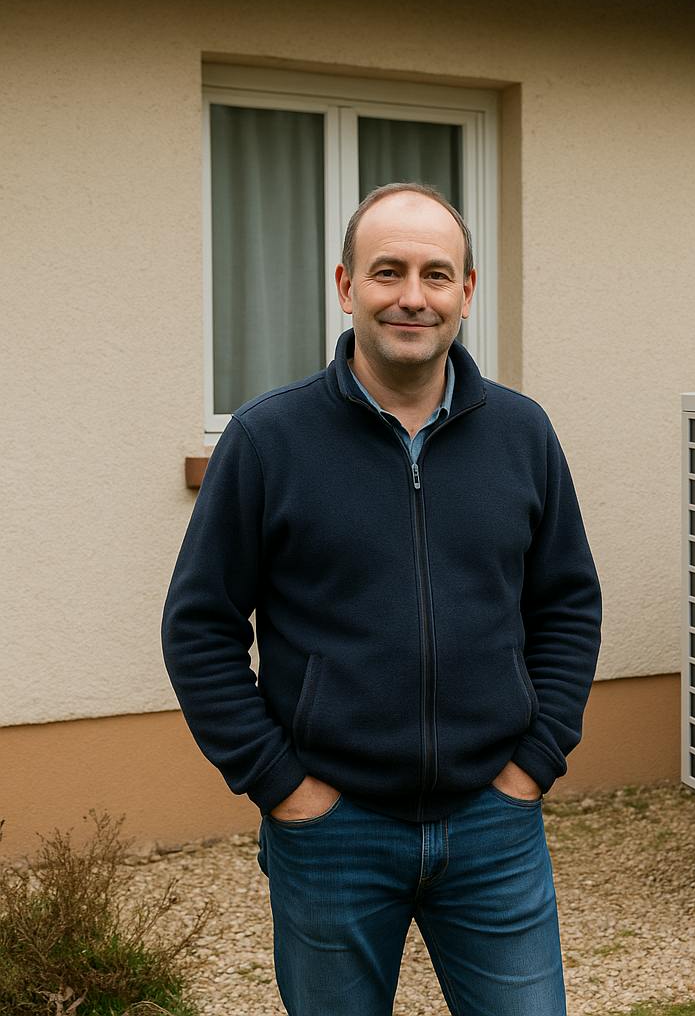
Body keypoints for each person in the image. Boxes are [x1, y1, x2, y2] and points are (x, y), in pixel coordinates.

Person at [162, 182, 602, 1015]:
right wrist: (282, 784)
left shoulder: (523, 434)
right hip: (333, 834)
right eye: (387, 271)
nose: (411, 296)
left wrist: (534, 764)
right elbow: (199, 629)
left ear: (466, 293)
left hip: (494, 827)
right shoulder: (267, 441)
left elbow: (568, 604)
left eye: (437, 275)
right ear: (345, 286)